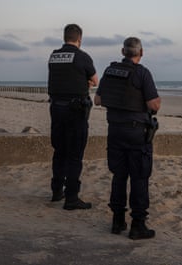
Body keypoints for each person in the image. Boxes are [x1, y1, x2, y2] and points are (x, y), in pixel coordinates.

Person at [94, 37, 161, 240]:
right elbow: (154, 105)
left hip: (115, 131)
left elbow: (97, 100)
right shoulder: (142, 73)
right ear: (141, 53)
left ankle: (117, 222)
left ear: (123, 51)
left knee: (119, 176)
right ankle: (137, 225)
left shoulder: (109, 71)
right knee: (139, 177)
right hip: (136, 134)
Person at [47, 23, 98, 210]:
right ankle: (71, 198)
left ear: (64, 37)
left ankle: (56, 191)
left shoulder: (54, 56)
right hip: (75, 111)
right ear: (80, 38)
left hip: (56, 109)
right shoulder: (82, 56)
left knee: (59, 151)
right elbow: (95, 80)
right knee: (75, 155)